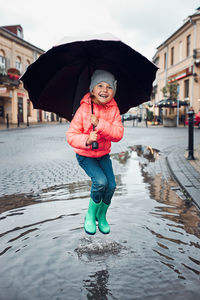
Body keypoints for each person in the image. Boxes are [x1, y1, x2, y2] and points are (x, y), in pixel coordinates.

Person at [66, 70, 124, 235]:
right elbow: (71, 136)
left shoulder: (114, 109)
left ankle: (102, 215)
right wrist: (87, 140)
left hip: (103, 154)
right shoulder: (83, 110)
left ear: (114, 91)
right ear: (92, 89)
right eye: (100, 85)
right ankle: (90, 215)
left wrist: (99, 124)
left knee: (111, 185)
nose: (104, 90)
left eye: (109, 87)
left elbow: (118, 134)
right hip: (86, 155)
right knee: (100, 182)